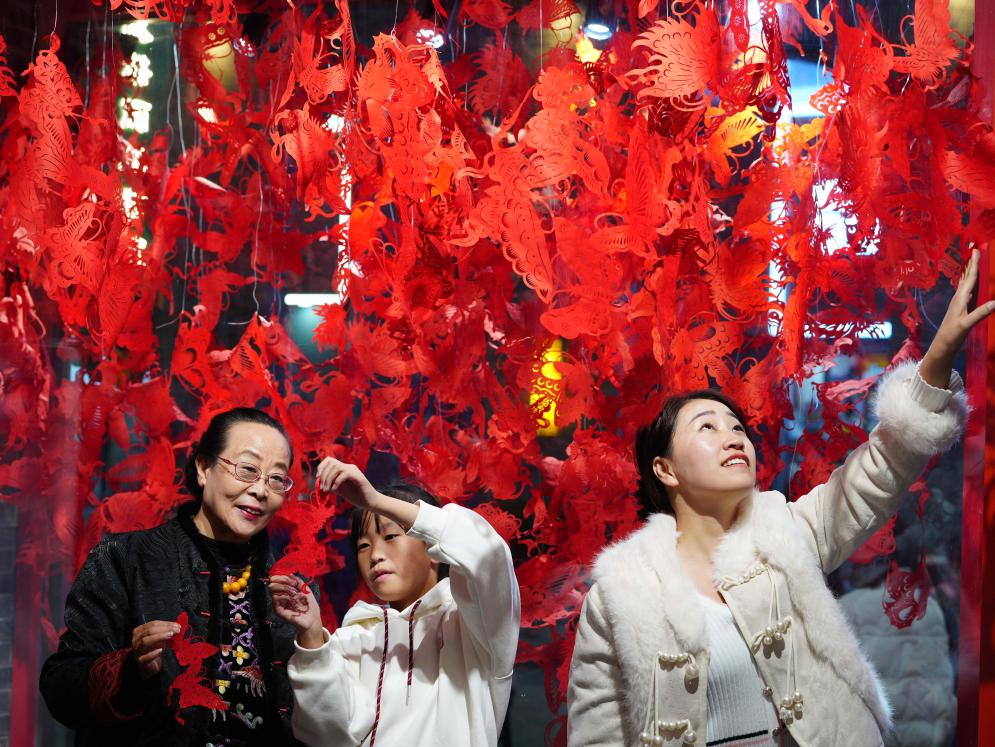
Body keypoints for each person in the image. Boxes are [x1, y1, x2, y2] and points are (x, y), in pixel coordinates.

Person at [567, 249, 994, 747]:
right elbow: (598, 735)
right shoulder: (621, 594)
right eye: (707, 427)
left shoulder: (784, 532)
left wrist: (938, 357)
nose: (734, 438)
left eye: (737, 428)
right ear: (665, 469)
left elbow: (882, 468)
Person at [40, 407, 304, 746]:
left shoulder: (292, 584)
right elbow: (60, 686)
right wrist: (130, 669)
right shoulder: (125, 559)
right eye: (248, 469)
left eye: (276, 478)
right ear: (204, 468)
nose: (261, 490)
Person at [269, 459, 521, 747]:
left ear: (431, 544)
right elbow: (327, 735)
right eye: (363, 545)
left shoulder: (472, 627)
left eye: (390, 536)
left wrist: (375, 501)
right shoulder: (352, 638)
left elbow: (488, 554)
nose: (375, 554)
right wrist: (313, 636)